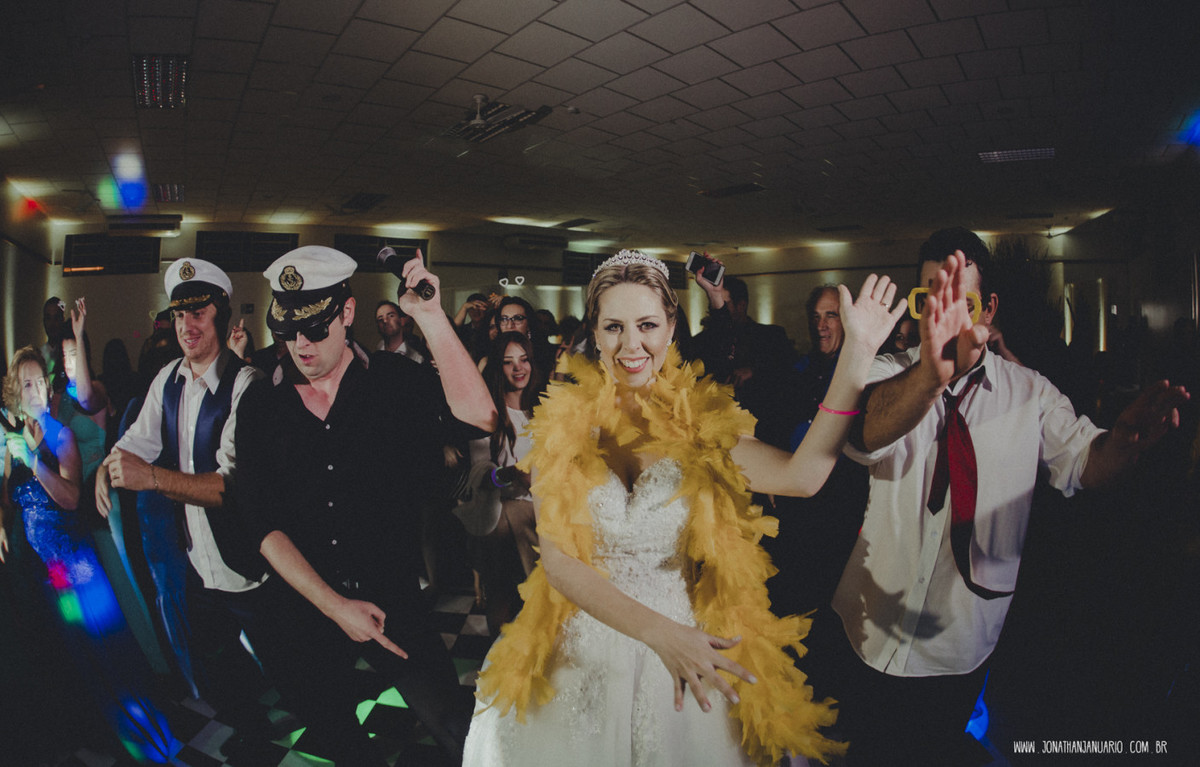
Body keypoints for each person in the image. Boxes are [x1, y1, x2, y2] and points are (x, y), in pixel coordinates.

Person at [463, 249, 905, 766]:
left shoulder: (701, 426)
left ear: (671, 327)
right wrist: (661, 636)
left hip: (689, 656)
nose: (632, 344)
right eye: (614, 327)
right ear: (595, 332)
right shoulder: (563, 427)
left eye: (647, 324)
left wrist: (856, 357)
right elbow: (559, 564)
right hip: (584, 653)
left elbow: (801, 477)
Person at [823, 228, 1190, 764]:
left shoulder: (1031, 392)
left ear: (988, 308)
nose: (943, 316)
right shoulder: (889, 372)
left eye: (961, 301)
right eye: (930, 300)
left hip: (958, 646)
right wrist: (929, 375)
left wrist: (1124, 443)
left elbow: (1087, 462)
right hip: (862, 627)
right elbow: (863, 432)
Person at [235, 245, 495, 765]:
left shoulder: (395, 384)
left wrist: (430, 316)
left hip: (392, 597)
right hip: (305, 606)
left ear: (347, 313)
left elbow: (481, 417)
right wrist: (336, 607)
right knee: (338, 739)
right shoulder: (263, 403)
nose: (300, 346)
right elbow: (260, 522)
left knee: (455, 726)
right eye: (287, 332)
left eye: (314, 330)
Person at [95, 258, 277, 759]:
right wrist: (105, 466)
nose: (186, 327)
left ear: (220, 314)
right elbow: (136, 441)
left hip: (252, 564)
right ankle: (251, 732)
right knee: (220, 669)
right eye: (179, 316)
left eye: (198, 314)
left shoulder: (247, 386)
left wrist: (150, 478)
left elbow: (228, 488)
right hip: (196, 560)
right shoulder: (168, 379)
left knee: (289, 666)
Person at [2, 347, 177, 763]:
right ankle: (91, 730)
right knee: (69, 653)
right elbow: (8, 497)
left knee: (102, 642)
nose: (37, 390)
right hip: (40, 567)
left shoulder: (59, 434)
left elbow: (70, 497)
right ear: (14, 390)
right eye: (27, 383)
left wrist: (34, 459)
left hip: (72, 561)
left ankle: (139, 731)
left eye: (41, 381)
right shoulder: (11, 439)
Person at [757, 285, 870, 622]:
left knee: (831, 595)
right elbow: (776, 424)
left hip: (839, 501)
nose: (821, 325)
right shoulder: (800, 369)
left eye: (831, 316)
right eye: (817, 317)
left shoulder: (864, 374)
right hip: (794, 500)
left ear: (848, 322)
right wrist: (771, 480)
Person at [464, 331, 545, 629]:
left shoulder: (544, 409)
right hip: (503, 518)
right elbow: (482, 479)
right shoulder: (488, 414)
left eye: (524, 360)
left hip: (545, 515)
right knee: (503, 599)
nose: (518, 368)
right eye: (509, 362)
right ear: (498, 367)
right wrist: (512, 475)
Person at [375, 298, 427, 364]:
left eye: (391, 316)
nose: (385, 321)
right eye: (380, 319)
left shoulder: (416, 358)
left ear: (401, 321)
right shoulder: (378, 349)